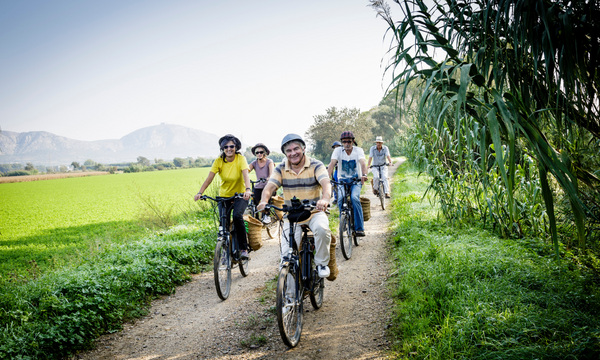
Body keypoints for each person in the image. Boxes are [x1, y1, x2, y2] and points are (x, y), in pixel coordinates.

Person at [257, 134, 332, 278]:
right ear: (285, 153)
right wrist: (263, 201)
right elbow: (269, 188)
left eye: (296, 149)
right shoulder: (280, 169)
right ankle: (290, 296)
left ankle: (322, 263)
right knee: (287, 258)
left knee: (322, 230)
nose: (293, 153)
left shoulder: (316, 165)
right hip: (291, 216)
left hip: (314, 212)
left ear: (303, 148)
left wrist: (325, 199)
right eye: (289, 151)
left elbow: (325, 184)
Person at [194, 134, 252, 259]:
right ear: (222, 148)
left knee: (237, 216)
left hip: (240, 195)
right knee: (223, 222)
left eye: (231, 146)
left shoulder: (240, 159)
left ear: (236, 147)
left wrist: (248, 190)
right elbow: (209, 178)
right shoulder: (219, 161)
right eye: (225, 147)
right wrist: (200, 192)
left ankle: (243, 248)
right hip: (224, 196)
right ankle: (225, 249)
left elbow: (246, 176)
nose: (229, 149)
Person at [327, 130, 368, 237]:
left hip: (356, 181)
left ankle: (359, 228)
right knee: (340, 199)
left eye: (349, 142)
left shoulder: (358, 150)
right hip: (342, 181)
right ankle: (344, 222)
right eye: (344, 142)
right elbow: (332, 164)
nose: (347, 144)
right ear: (342, 142)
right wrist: (326, 179)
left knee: (354, 198)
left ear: (353, 141)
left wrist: (364, 174)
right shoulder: (337, 151)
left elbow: (363, 162)